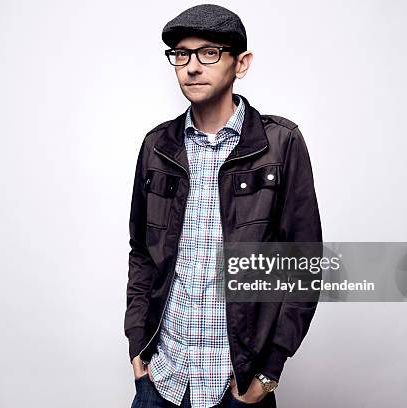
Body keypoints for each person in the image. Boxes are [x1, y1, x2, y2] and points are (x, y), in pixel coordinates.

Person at [124, 4, 322, 407]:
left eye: (209, 52)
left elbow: (304, 264)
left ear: (241, 63)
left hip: (236, 384)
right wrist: (136, 347)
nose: (192, 66)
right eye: (181, 53)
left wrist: (269, 372)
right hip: (163, 377)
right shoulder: (157, 146)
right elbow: (142, 253)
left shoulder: (280, 144)